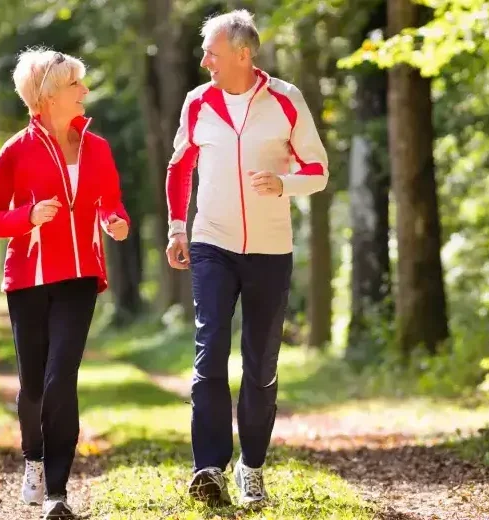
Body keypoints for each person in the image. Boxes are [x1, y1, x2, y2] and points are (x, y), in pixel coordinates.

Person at [164, 9, 329, 506]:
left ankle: (251, 467)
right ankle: (209, 467)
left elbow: (318, 170)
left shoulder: (286, 100)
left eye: (211, 52)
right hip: (211, 242)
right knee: (210, 349)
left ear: (242, 53)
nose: (204, 61)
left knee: (260, 365)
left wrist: (285, 183)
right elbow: (179, 168)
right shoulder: (199, 103)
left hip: (270, 249)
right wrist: (177, 229)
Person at [0, 47, 130, 519]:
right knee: (34, 385)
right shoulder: (16, 151)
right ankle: (34, 460)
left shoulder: (97, 148)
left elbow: (112, 202)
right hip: (28, 278)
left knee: (62, 378)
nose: (84, 91)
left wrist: (114, 220)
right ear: (45, 97)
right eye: (74, 85)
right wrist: (27, 216)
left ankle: (58, 492)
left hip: (80, 277)